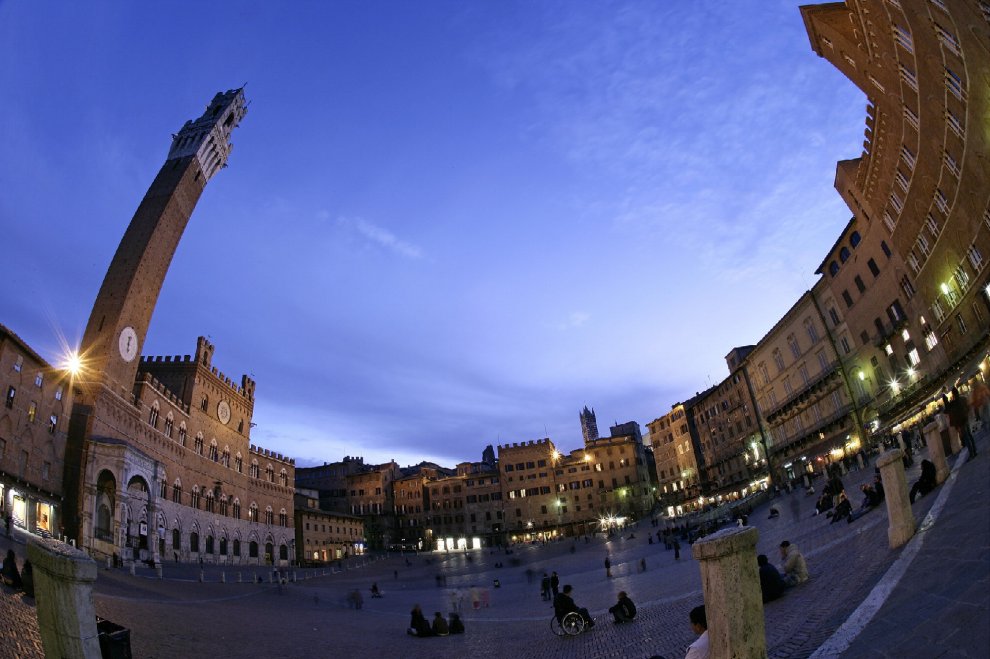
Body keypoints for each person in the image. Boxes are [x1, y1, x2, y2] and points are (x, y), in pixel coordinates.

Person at [947, 387, 977, 460]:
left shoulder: (954, 403)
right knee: (969, 435)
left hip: (961, 422)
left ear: (953, 394)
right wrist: (966, 413)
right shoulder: (963, 398)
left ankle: (972, 454)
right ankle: (974, 451)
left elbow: (949, 411)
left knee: (966, 438)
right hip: (965, 419)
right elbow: (968, 407)